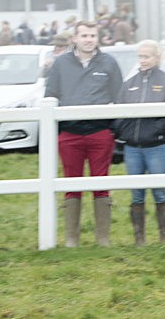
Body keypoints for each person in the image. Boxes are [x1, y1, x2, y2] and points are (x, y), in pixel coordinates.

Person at [45, 21, 123, 247]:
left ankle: (103, 238)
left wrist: (112, 128)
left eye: (92, 35)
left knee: (101, 182)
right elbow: (51, 95)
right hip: (70, 134)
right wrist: (59, 128)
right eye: (84, 35)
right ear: (75, 39)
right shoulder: (61, 64)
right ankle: (71, 239)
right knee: (72, 183)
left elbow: (119, 95)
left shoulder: (109, 62)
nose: (89, 39)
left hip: (100, 133)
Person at [111, 40, 165, 245]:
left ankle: (164, 238)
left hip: (156, 148)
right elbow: (118, 112)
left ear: (157, 57)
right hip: (132, 148)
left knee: (159, 192)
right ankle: (139, 239)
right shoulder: (129, 84)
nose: (142, 60)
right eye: (140, 56)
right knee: (136, 194)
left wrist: (156, 130)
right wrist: (125, 132)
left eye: (146, 56)